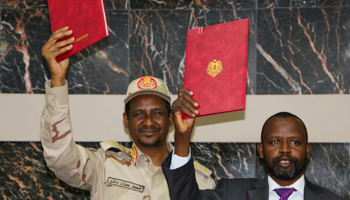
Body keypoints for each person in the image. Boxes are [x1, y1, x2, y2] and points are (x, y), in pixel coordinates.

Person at [40, 27, 215, 200]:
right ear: (126, 120)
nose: (148, 122)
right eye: (139, 114)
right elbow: (60, 158)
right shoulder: (103, 165)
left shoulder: (199, 180)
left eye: (157, 113)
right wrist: (57, 80)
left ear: (170, 119)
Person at [161, 88, 347, 200]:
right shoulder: (232, 193)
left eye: (294, 142)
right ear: (261, 150)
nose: (284, 149)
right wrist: (182, 137)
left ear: (307, 150)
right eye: (274, 142)